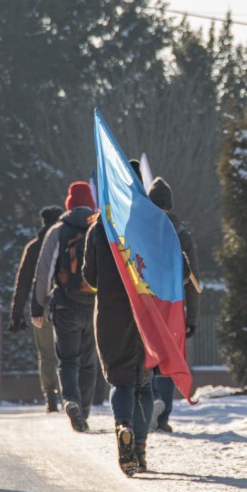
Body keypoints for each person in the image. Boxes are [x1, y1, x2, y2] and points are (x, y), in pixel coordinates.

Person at [83, 163, 154, 476]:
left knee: (120, 380)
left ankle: (122, 426)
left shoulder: (101, 225)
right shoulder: (153, 221)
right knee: (145, 381)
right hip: (148, 312)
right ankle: (139, 446)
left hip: (111, 312)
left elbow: (90, 275)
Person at [32, 182, 98, 432]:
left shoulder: (58, 230)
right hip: (93, 307)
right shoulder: (100, 228)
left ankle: (71, 400)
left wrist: (37, 308)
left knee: (68, 361)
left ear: (68, 204)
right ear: (91, 203)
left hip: (65, 307)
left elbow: (44, 271)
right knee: (89, 362)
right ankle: (86, 410)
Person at [146, 176, 199, 433]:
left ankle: (151, 401)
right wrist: (193, 319)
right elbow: (193, 280)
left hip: (147, 304)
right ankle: (164, 415)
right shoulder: (182, 234)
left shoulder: (140, 231)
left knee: (149, 355)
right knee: (169, 357)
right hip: (174, 306)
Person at [9, 206, 65, 412]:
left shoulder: (33, 247)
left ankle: (50, 395)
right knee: (67, 350)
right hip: (65, 305)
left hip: (39, 306)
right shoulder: (65, 242)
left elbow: (23, 282)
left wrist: (17, 313)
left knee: (46, 352)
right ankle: (70, 394)